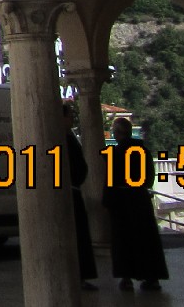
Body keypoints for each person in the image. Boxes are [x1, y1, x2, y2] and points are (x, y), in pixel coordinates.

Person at [104, 117, 168, 291]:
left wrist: (108, 201)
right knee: (145, 240)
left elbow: (110, 181)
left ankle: (126, 277)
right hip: (139, 201)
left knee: (124, 242)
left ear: (117, 133)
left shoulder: (115, 154)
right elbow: (148, 179)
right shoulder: (143, 152)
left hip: (122, 203)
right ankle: (151, 276)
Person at [64, 102, 99, 290]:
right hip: (70, 193)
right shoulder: (63, 138)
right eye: (69, 115)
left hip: (74, 191)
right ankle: (78, 276)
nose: (72, 119)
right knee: (77, 236)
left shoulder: (68, 137)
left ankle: (80, 275)